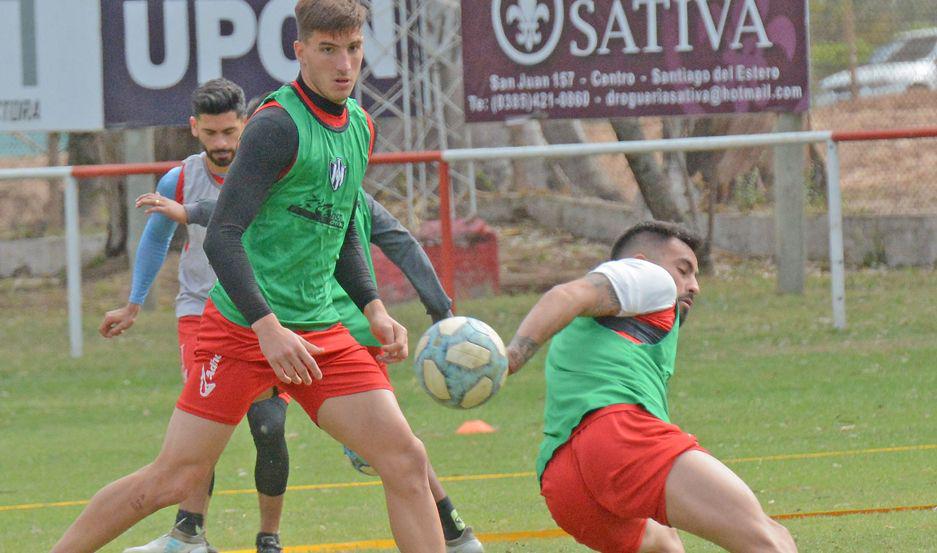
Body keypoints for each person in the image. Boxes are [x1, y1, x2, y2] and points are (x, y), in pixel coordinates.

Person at [51, 1, 444, 552]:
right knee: (174, 479)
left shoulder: (360, 126)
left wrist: (375, 310)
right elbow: (224, 236)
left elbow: (342, 222)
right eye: (328, 50)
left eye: (353, 49)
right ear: (300, 50)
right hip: (241, 332)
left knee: (406, 459)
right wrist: (266, 327)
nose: (344, 64)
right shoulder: (276, 127)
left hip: (319, 334)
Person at [141, 187, 485, 553]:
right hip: (290, 330)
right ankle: (192, 531)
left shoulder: (353, 196)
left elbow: (402, 244)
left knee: (397, 453)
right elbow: (238, 209)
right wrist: (190, 210)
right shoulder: (296, 179)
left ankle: (451, 527)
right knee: (272, 429)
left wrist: (440, 312)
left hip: (340, 336)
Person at [505, 221, 797, 553]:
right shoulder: (649, 278)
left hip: (563, 479)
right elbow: (565, 294)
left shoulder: (612, 318)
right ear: (641, 263)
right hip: (618, 438)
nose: (694, 286)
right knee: (772, 541)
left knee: (664, 544)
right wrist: (512, 356)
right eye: (684, 270)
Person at [99, 78, 290, 553]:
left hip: (262, 313)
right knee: (203, 432)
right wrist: (134, 302)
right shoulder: (178, 178)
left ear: (246, 124)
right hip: (200, 314)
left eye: (230, 131)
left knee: (269, 427)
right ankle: (190, 533)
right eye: (211, 134)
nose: (222, 144)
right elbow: (155, 240)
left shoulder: (269, 172)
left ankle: (269, 537)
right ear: (194, 129)